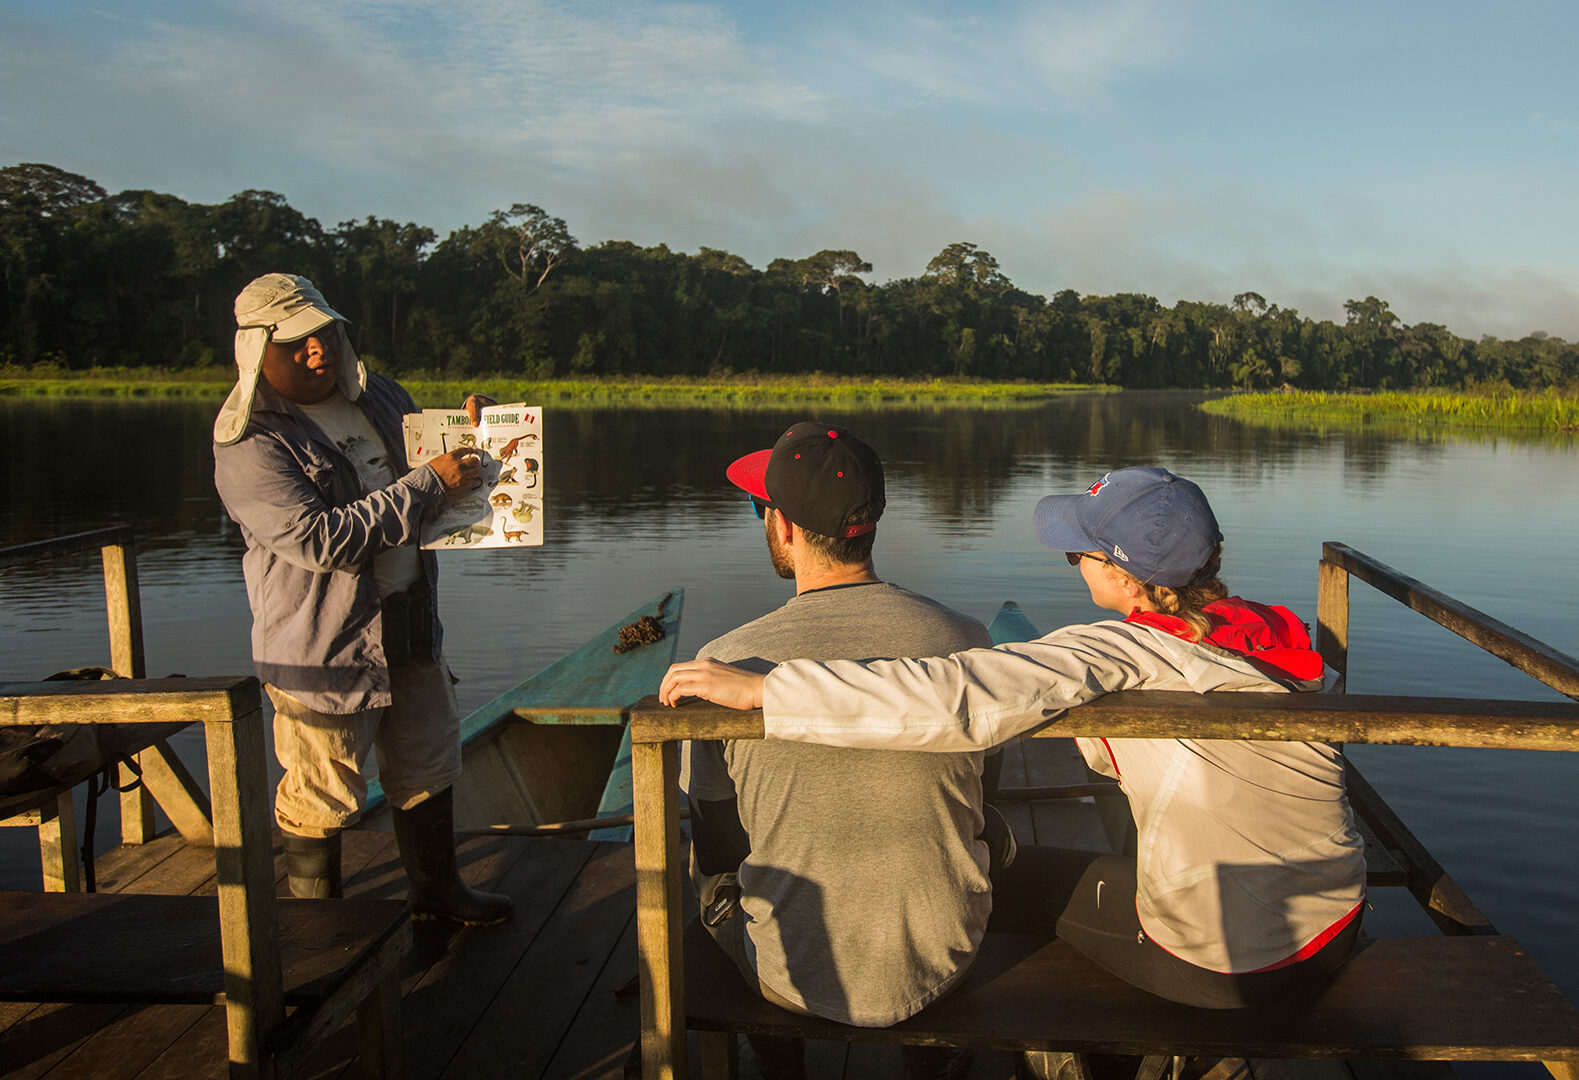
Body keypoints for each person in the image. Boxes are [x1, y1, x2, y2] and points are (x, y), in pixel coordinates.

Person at [662, 466, 1367, 1010]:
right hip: (1334, 925)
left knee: (1006, 879)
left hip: (1240, 961)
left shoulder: (1114, 652)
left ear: (1118, 572)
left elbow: (955, 697)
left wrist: (768, 690)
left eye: (1078, 554)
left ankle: (1063, 1048)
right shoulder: (1269, 635)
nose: (1071, 563)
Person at [683, 421, 995, 1076]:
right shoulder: (967, 641)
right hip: (943, 960)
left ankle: (777, 1062)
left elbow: (718, 844)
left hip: (789, 973)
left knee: (706, 877)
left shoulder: (724, 664)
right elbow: (980, 800)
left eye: (760, 508)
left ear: (782, 529)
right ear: (871, 520)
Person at [213, 272, 511, 926]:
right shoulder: (252, 441)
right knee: (323, 790)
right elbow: (318, 541)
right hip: (325, 647)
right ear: (257, 352)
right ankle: (316, 933)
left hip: (407, 625)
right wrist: (429, 484)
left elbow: (424, 460)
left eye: (325, 333)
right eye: (296, 344)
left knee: (428, 764)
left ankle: (438, 895)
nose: (318, 350)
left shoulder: (377, 397)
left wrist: (478, 434)